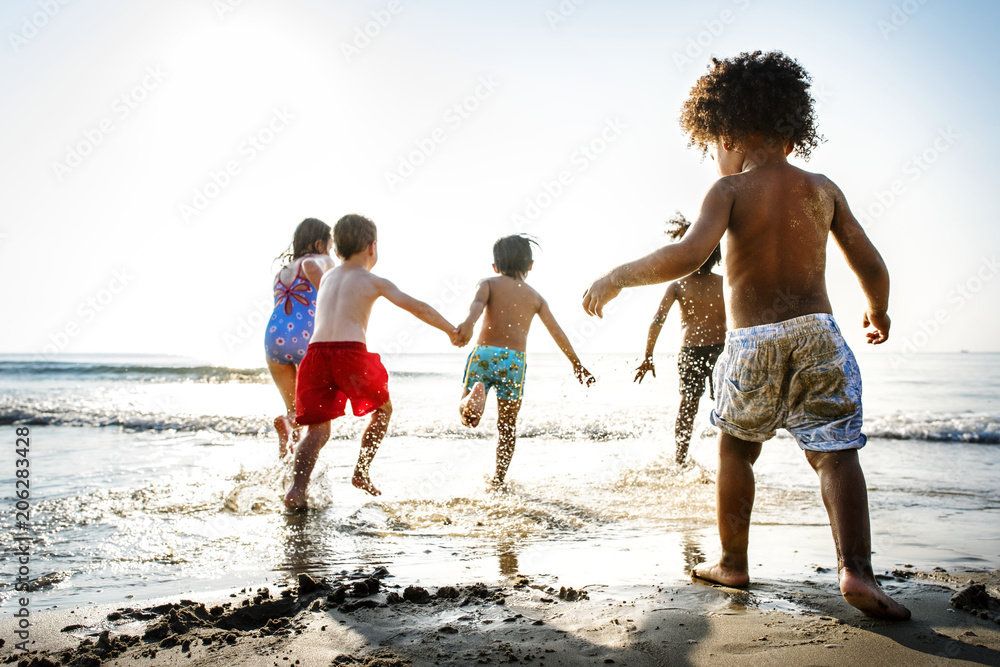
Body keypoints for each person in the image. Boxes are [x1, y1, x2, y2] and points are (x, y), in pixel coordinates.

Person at [582, 51, 910, 620]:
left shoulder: (728, 191)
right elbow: (871, 263)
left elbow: (686, 256)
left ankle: (733, 560)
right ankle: (856, 569)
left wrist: (616, 278)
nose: (715, 155)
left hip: (751, 341)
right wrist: (877, 310)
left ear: (729, 131)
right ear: (792, 126)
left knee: (736, 448)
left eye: (713, 144)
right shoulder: (823, 188)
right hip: (819, 335)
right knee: (835, 454)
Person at [284, 214, 460, 509]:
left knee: (317, 431)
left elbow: (313, 271)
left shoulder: (327, 277)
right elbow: (417, 308)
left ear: (337, 250)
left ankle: (295, 490)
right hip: (349, 353)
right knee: (383, 410)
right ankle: (361, 471)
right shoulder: (373, 280)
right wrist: (451, 330)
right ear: (372, 247)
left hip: (314, 355)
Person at [456, 234, 595, 486]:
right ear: (530, 265)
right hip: (514, 362)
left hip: (485, 353)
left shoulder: (488, 283)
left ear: (495, 267)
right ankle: (498, 479)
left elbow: (476, 306)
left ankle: (475, 395)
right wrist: (576, 363)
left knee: (467, 416)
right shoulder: (535, 298)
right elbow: (557, 332)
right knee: (507, 427)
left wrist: (467, 325)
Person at [634, 212, 726, 465]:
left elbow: (657, 320)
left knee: (691, 404)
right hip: (718, 351)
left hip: (700, 351)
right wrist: (647, 355)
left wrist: (648, 355)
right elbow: (657, 320)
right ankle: (690, 458)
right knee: (723, 406)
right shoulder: (721, 284)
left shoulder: (681, 285)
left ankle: (681, 459)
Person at [265, 218, 336, 457]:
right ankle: (298, 477)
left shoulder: (282, 272)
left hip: (274, 339)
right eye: (330, 245)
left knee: (294, 411)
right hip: (307, 339)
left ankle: (285, 468)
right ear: (319, 244)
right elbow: (315, 272)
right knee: (317, 416)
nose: (331, 251)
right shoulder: (319, 260)